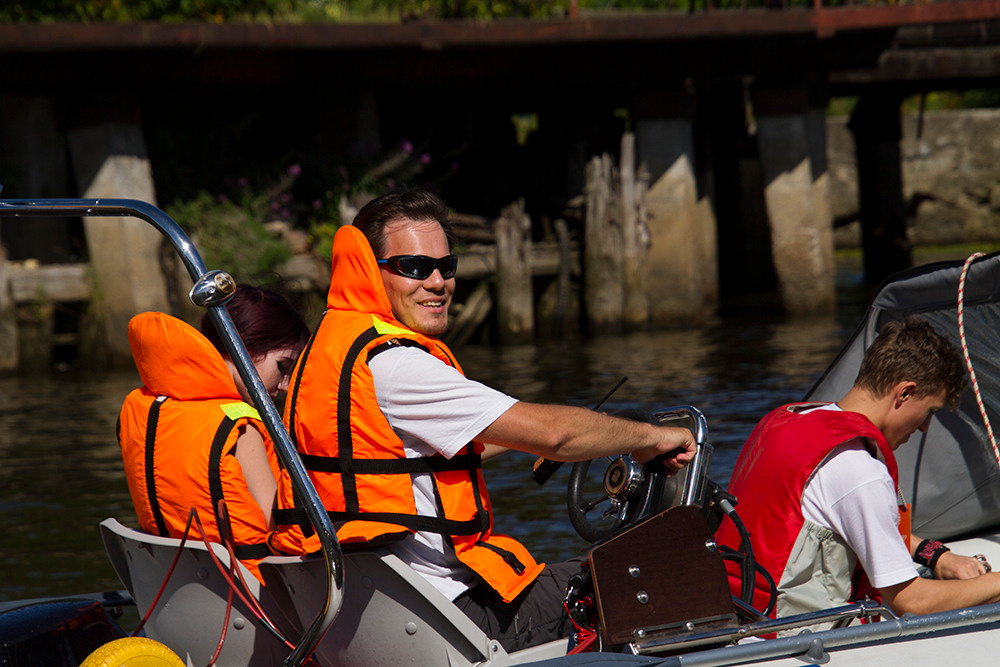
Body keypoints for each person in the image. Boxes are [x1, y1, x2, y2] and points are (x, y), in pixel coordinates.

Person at [272, 188, 697, 652]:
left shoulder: (327, 353)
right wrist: (652, 436)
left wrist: (526, 440)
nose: (437, 282)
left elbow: (396, 461)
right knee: (650, 575)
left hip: (367, 618)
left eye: (446, 266)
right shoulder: (397, 367)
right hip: (451, 618)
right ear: (371, 273)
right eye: (414, 267)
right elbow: (559, 434)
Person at [716, 317, 1000, 626]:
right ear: (904, 393)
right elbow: (913, 602)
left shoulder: (785, 420)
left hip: (741, 609)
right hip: (792, 634)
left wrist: (935, 555)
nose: (923, 427)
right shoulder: (860, 470)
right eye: (929, 411)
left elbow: (854, 520)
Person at [117, 285, 310, 583]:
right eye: (283, 366)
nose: (285, 384)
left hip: (173, 589)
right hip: (252, 595)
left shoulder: (146, 408)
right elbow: (278, 521)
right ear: (246, 349)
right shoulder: (240, 427)